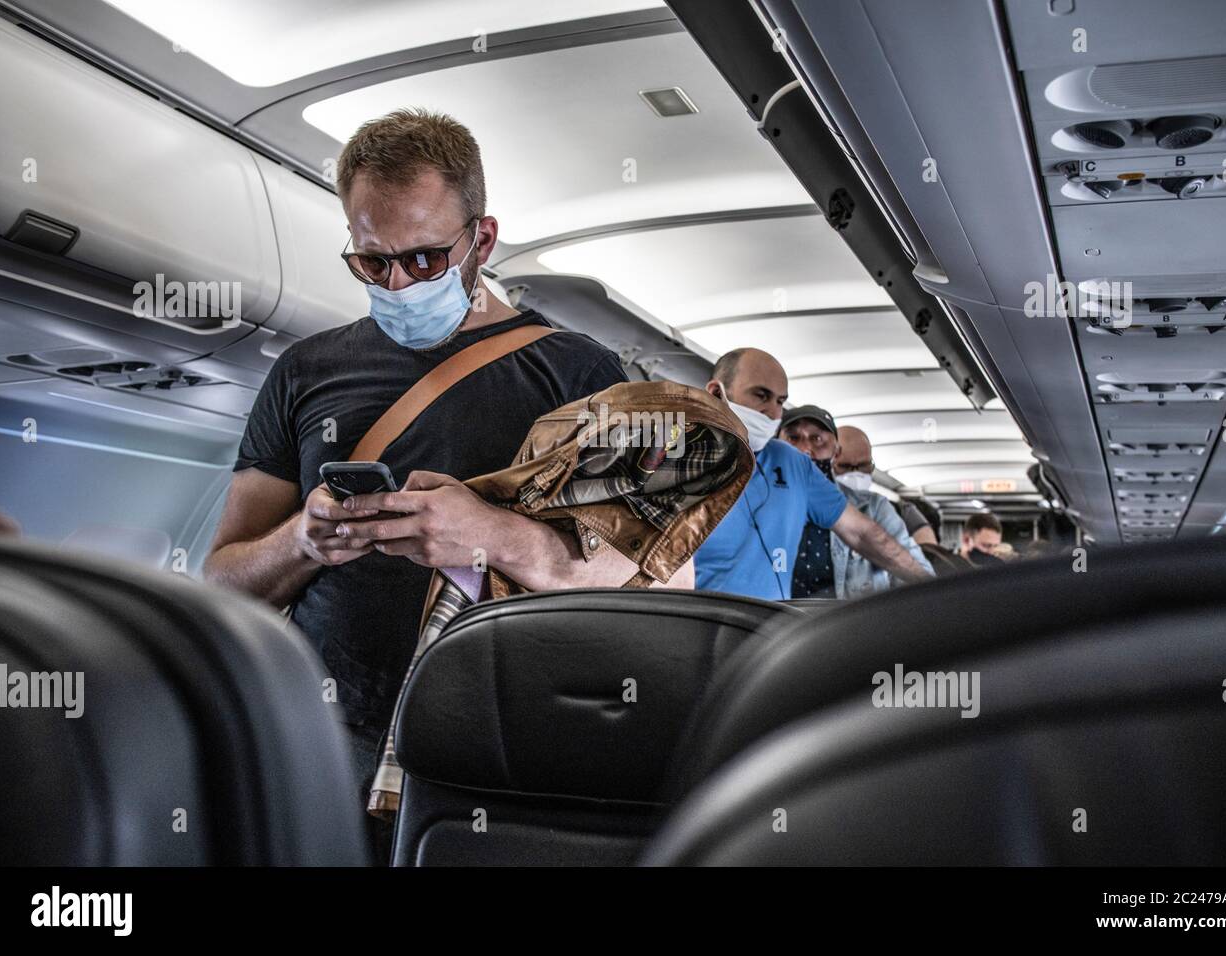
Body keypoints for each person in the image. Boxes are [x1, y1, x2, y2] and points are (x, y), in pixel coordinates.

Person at [202, 108, 676, 859]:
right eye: (371, 261)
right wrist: (303, 540)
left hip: (502, 736)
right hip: (326, 733)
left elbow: (650, 582)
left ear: (480, 240)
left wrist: (492, 536)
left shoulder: (578, 373)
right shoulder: (304, 372)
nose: (397, 283)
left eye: (424, 258)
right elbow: (223, 582)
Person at [692, 348, 931, 600]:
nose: (773, 413)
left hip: (767, 630)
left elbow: (863, 534)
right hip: (694, 623)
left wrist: (930, 586)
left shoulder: (793, 464)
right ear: (717, 393)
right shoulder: (671, 459)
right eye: (761, 396)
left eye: (780, 402)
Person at [827, 423, 933, 598]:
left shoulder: (876, 508)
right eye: (845, 466)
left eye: (863, 466)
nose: (856, 474)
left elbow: (914, 566)